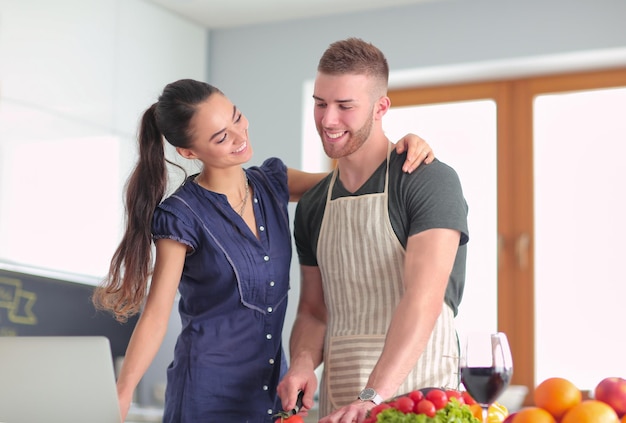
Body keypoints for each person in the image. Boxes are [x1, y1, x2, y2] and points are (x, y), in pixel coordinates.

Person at [92, 78, 434, 422]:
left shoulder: (272, 183)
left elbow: (357, 180)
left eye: (236, 118)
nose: (240, 136)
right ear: (189, 152)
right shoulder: (181, 215)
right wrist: (121, 393)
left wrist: (400, 149)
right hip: (205, 396)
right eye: (221, 137)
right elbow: (156, 315)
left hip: (273, 394)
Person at [276, 38, 469, 423]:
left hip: (422, 399)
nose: (328, 120)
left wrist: (372, 396)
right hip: (342, 403)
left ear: (381, 107)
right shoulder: (314, 204)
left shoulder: (428, 181)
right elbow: (314, 312)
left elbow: (423, 299)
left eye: (345, 106)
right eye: (320, 103)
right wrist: (300, 364)